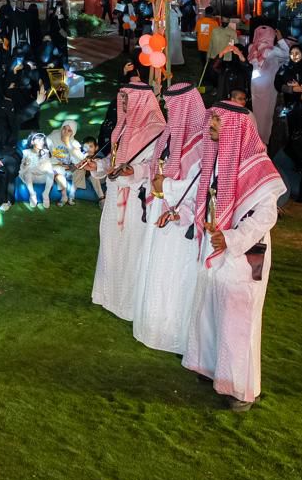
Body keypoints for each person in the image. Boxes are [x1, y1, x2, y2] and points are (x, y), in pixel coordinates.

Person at [182, 101, 287, 411]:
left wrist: (230, 239)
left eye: (217, 121)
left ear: (235, 128)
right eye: (211, 120)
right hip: (215, 248)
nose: (211, 126)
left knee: (238, 321)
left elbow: (266, 216)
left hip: (243, 254)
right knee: (210, 310)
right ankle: (211, 369)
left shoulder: (259, 166)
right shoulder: (216, 157)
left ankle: (240, 389)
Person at [133, 83, 207, 354]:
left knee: (175, 274)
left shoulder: (201, 142)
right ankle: (152, 325)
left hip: (181, 219)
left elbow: (198, 186)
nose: (167, 109)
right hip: (160, 208)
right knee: (156, 267)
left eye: (171, 106)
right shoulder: (168, 135)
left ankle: (173, 333)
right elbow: (155, 168)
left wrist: (167, 188)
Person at [91, 76, 166, 321]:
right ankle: (107, 296)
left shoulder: (157, 131)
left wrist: (134, 171)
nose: (122, 103)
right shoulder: (122, 127)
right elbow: (114, 161)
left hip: (135, 200)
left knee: (132, 249)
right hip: (115, 195)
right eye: (122, 98)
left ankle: (128, 304)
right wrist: (97, 165)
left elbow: (157, 166)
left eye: (127, 99)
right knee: (110, 244)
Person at [248, 27, 286, 146]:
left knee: (256, 111)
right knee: (267, 114)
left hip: (256, 84)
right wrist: (281, 40)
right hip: (268, 85)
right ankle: (264, 140)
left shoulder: (252, 47)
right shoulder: (272, 50)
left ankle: (255, 137)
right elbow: (287, 54)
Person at [19, 132, 67, 208]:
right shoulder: (26, 152)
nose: (41, 142)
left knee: (50, 172)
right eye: (39, 140)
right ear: (32, 142)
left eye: (42, 141)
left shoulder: (46, 152)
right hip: (31, 177)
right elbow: (22, 168)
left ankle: (46, 194)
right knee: (28, 173)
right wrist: (25, 164)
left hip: (42, 177)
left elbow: (48, 166)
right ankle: (32, 194)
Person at [48, 120, 86, 204]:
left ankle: (72, 195)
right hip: (56, 166)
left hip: (69, 168)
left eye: (69, 130)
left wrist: (68, 143)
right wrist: (60, 163)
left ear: (73, 132)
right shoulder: (53, 137)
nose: (65, 132)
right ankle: (64, 196)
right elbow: (48, 154)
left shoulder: (74, 143)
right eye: (64, 128)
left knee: (81, 169)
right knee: (56, 172)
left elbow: (80, 159)